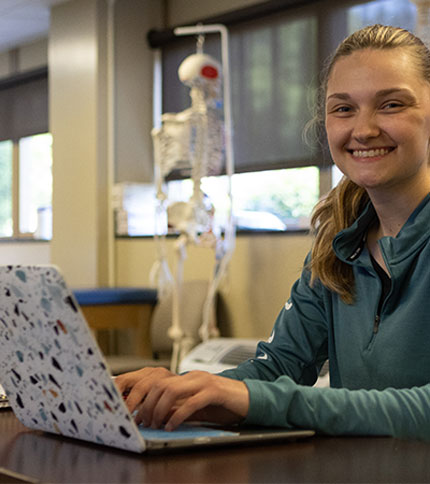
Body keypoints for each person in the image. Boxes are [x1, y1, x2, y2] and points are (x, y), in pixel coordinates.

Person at [116, 24, 430, 440]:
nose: (364, 129)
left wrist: (257, 399)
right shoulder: (337, 247)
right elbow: (279, 366)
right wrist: (184, 390)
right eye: (343, 109)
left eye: (391, 105)